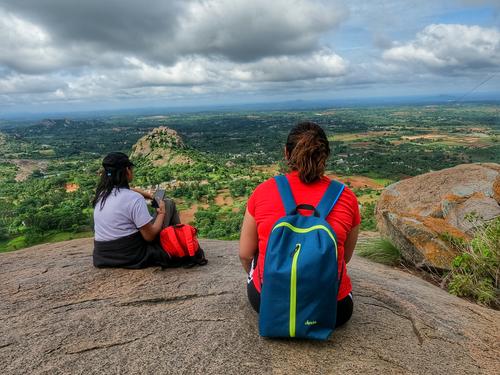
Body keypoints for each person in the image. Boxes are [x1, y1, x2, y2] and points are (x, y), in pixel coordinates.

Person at [239, 121, 360, 328]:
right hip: (333, 309)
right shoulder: (346, 198)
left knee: (259, 252)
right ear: (325, 155)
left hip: (268, 303)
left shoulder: (264, 191)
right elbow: (344, 258)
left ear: (286, 153)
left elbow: (245, 254)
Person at [92, 152, 180, 268]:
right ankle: (178, 241)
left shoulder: (101, 194)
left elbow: (125, 189)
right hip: (132, 255)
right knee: (168, 203)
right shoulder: (133, 199)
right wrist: (161, 213)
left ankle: (176, 239)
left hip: (103, 255)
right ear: (127, 170)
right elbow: (150, 236)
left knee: (163, 205)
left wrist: (148, 195)